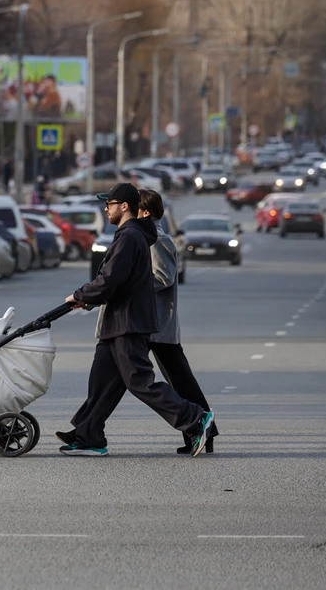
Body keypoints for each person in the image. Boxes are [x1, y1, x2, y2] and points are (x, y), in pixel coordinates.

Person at [58, 182, 215, 457]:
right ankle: (88, 436)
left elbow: (113, 279)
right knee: (103, 382)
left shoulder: (131, 237)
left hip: (129, 321)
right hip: (117, 321)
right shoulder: (128, 235)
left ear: (124, 206)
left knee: (140, 381)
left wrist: (82, 295)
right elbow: (114, 279)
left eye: (109, 204)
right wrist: (89, 298)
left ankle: (195, 418)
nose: (105, 209)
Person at [139, 189, 218, 453]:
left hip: (159, 323)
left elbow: (163, 277)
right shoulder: (148, 237)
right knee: (177, 378)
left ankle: (204, 429)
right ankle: (88, 428)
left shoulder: (157, 239)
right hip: (151, 323)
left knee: (181, 380)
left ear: (145, 211)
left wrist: (130, 286)